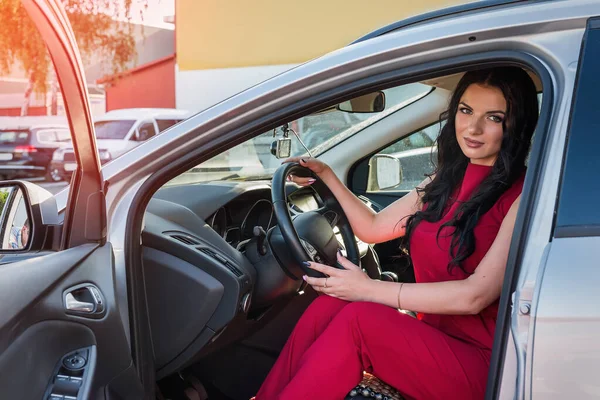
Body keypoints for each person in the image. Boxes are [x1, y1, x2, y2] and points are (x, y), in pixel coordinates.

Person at [254, 67, 539, 400]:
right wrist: (327, 175)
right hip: (437, 339)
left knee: (360, 320)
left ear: (515, 125)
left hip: (487, 365)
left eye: (493, 117)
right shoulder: (445, 180)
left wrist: (370, 289)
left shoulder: (522, 195)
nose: (473, 127)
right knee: (330, 305)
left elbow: (473, 296)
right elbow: (373, 229)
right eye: (466, 110)